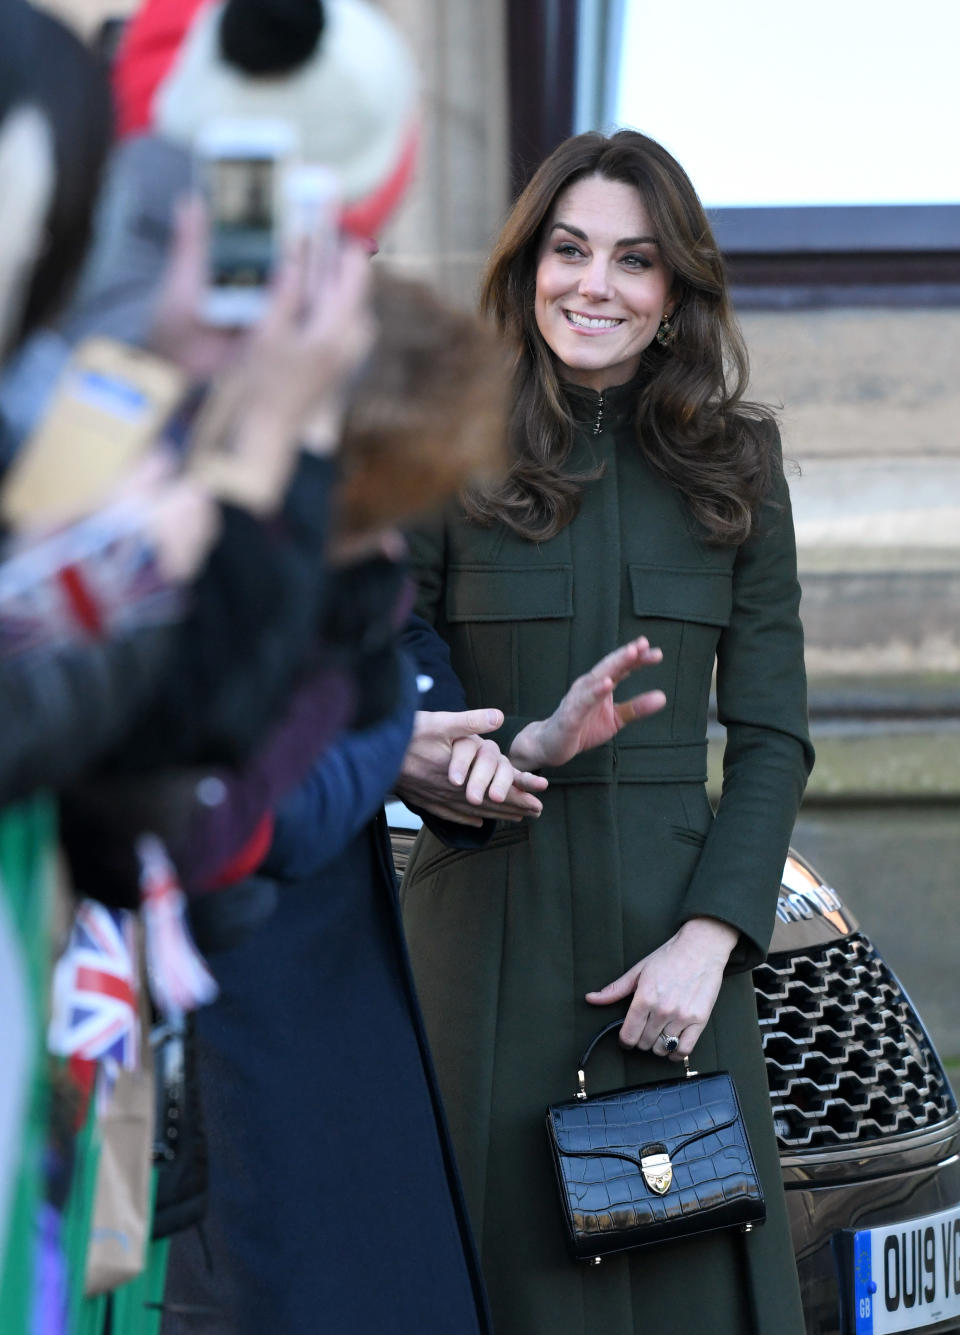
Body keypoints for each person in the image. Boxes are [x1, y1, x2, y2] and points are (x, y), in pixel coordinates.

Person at [400, 129, 814, 1335]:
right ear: (527, 268)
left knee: (688, 1288)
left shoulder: (739, 463)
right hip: (485, 933)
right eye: (569, 250)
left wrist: (711, 936)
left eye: (635, 261)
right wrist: (481, 755)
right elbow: (389, 653)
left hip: (672, 950)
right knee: (488, 1284)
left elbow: (775, 735)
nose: (597, 284)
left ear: (675, 290)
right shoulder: (444, 440)